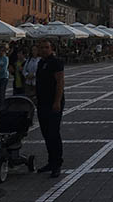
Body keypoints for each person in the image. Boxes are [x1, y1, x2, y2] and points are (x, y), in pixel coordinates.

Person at [35, 40, 65, 178]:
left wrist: (57, 101)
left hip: (53, 103)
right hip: (42, 103)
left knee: (53, 133)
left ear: (51, 49)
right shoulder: (41, 63)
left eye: (47, 47)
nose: (44, 50)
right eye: (42, 47)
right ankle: (50, 161)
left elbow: (60, 82)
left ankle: (57, 164)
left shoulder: (55, 62)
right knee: (46, 133)